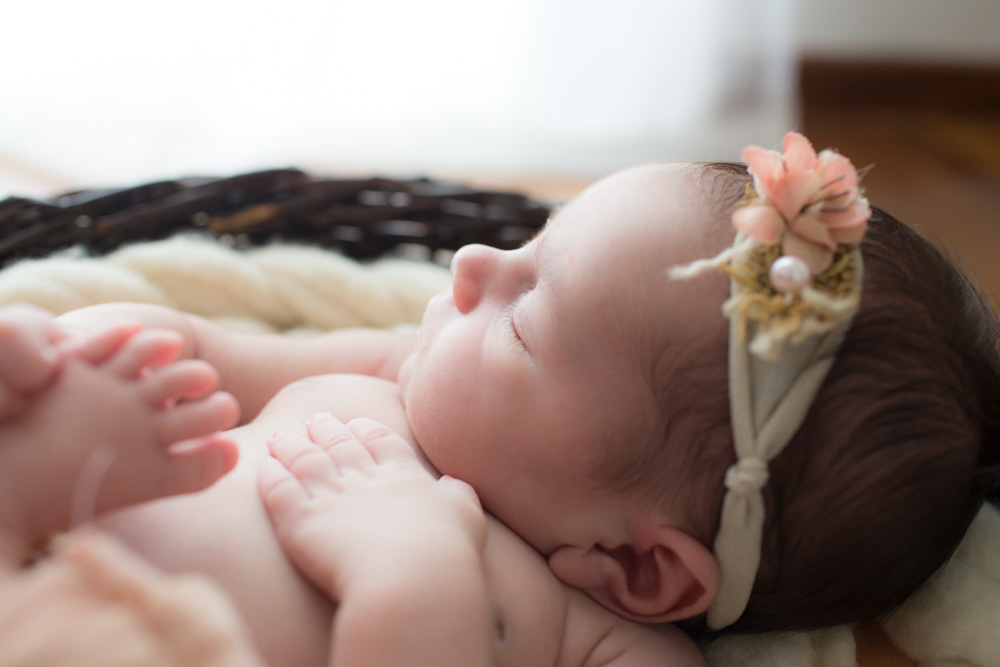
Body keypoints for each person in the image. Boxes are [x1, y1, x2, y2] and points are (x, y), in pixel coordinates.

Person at [2, 131, 997, 658]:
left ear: (641, 567)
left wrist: (413, 569)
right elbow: (202, 353)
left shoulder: (599, 640)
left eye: (523, 321)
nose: (474, 260)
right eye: (529, 246)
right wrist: (79, 357)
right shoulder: (399, 374)